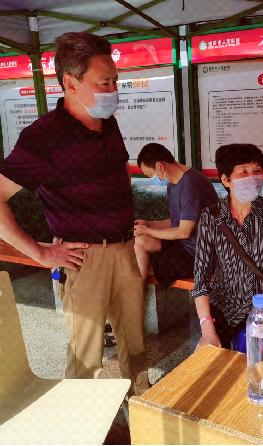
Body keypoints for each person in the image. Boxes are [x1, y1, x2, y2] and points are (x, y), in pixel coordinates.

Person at [0, 32, 149, 396]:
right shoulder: (43, 137)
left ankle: (143, 410)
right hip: (84, 260)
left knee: (135, 347)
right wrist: (39, 252)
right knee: (86, 357)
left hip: (125, 250)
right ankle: (82, 420)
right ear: (70, 83)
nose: (113, 90)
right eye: (104, 83)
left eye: (115, 81)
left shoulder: (107, 123)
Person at [192, 143, 263, 355]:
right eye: (244, 172)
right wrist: (207, 329)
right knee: (215, 363)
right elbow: (200, 279)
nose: (252, 178)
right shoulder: (210, 217)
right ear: (225, 180)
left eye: (257, 171)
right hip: (224, 309)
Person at [133, 143, 218, 286]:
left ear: (160, 166)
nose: (152, 179)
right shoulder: (173, 183)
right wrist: (148, 224)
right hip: (184, 246)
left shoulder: (191, 184)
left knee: (141, 263)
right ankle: (135, 293)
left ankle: (135, 296)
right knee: (139, 242)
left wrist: (147, 230)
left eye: (150, 175)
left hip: (199, 255)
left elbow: (184, 231)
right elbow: (177, 222)